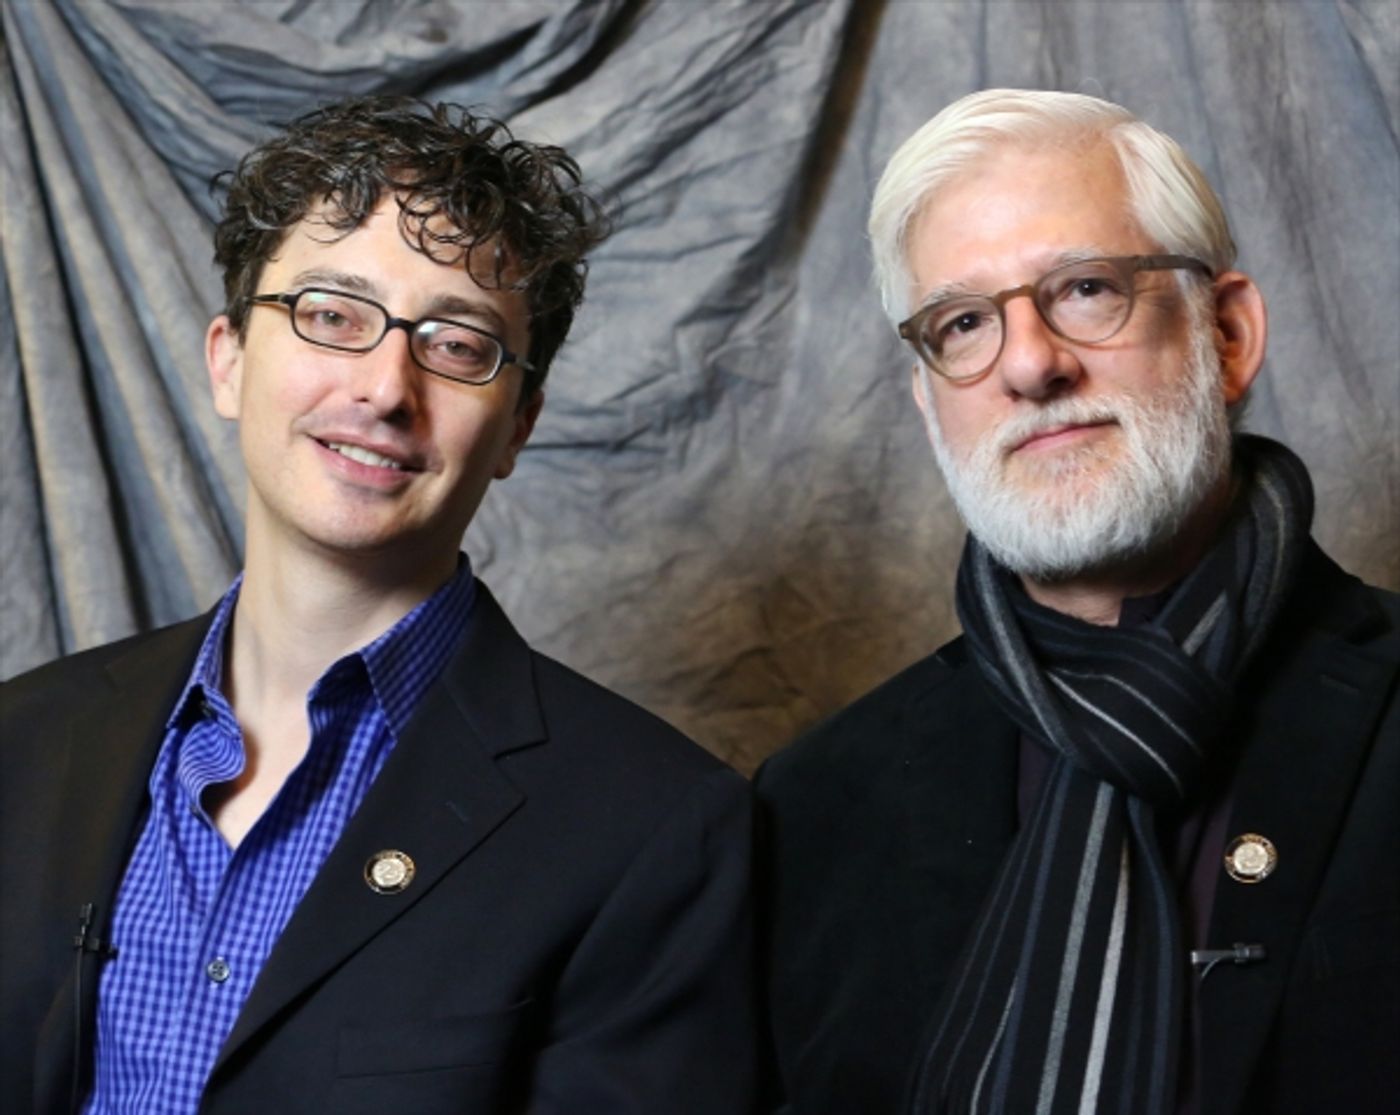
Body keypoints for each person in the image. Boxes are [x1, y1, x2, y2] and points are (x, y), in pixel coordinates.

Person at [1, 96, 755, 1115]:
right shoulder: (23, 738)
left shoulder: (655, 831)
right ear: (228, 358)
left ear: (517, 425)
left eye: (456, 343)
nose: (384, 386)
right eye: (331, 315)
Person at [756, 89, 1398, 1115]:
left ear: (1226, 336)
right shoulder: (813, 806)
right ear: (929, 402)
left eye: (1086, 287)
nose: (1027, 363)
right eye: (962, 321)